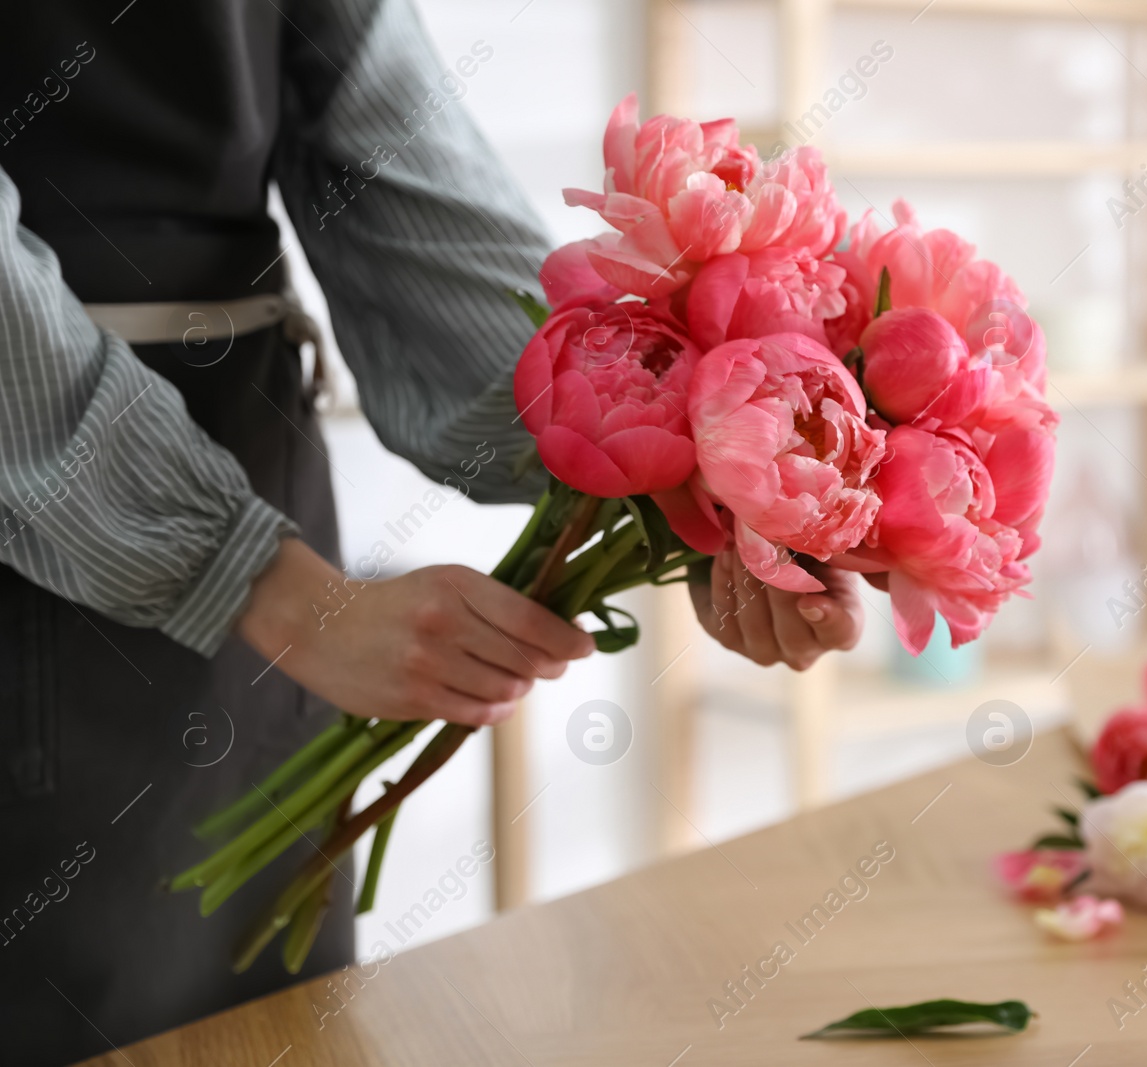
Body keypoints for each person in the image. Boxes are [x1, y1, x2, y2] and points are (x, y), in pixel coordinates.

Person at [0, 3, 863, 1063]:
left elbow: (406, 175)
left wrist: (690, 479)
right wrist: (256, 581)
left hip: (261, 474)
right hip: (39, 537)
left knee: (270, 1010)